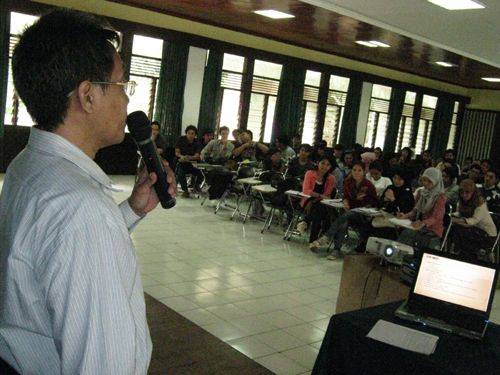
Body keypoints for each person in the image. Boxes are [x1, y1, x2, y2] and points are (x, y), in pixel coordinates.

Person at [0, 9, 177, 374]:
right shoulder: (82, 210)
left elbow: (48, 256)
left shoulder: (27, 165)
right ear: (87, 96)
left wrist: (130, 210)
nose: (128, 101)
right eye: (122, 85)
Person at [310, 161, 377, 259]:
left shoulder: (369, 185)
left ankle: (327, 237)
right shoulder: (348, 181)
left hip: (361, 214)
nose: (356, 173)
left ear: (364, 172)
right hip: (348, 211)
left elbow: (374, 202)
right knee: (343, 221)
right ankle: (336, 250)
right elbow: (345, 196)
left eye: (359, 170)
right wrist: (345, 201)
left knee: (347, 214)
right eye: (354, 170)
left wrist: (368, 206)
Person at [446, 179, 497, 262]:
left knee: (463, 233)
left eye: (467, 193)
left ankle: (467, 259)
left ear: (473, 192)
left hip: (487, 233)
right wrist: (451, 216)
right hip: (471, 229)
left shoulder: (480, 203)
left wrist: (458, 220)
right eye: (462, 193)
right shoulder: (461, 202)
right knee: (455, 230)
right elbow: (460, 213)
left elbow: (475, 220)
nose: (464, 195)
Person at [396, 168, 446, 250]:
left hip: (433, 230)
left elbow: (436, 217)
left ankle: (399, 255)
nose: (425, 183)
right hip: (422, 227)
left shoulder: (440, 196)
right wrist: (405, 215)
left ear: (436, 182)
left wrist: (422, 224)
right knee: (406, 232)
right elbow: (415, 210)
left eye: (429, 181)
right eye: (424, 180)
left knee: (408, 234)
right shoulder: (421, 192)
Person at [296, 155, 336, 244]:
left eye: (328, 165)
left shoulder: (331, 178)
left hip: (321, 203)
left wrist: (315, 198)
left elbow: (327, 195)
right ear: (318, 163)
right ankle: (314, 241)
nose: (324, 166)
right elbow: (306, 191)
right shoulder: (310, 173)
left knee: (318, 210)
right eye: (323, 163)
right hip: (307, 201)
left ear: (330, 167)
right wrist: (317, 197)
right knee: (319, 211)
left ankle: (305, 222)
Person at [175, 125, 204, 198]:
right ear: (186, 133)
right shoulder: (181, 139)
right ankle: (185, 190)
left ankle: (196, 184)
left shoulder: (197, 142)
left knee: (203, 169)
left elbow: (197, 155)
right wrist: (182, 157)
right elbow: (177, 152)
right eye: (189, 133)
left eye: (193, 133)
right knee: (180, 171)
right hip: (182, 161)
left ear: (195, 135)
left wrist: (189, 157)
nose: (190, 135)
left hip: (193, 161)